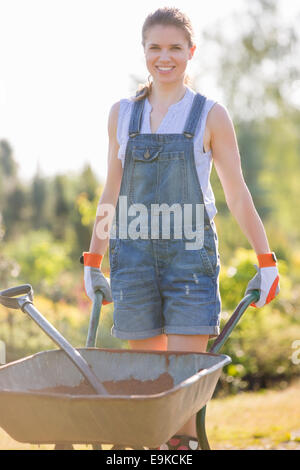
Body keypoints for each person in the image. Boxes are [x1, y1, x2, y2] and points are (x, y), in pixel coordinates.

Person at [83, 7, 280, 450]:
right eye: (155, 47)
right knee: (150, 389)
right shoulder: (122, 114)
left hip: (190, 257)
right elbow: (110, 194)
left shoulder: (210, 116)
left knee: (184, 387)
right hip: (131, 259)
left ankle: (185, 447)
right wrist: (93, 259)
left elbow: (237, 193)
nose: (164, 57)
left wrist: (265, 259)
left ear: (191, 53)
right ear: (144, 51)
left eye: (175, 48)